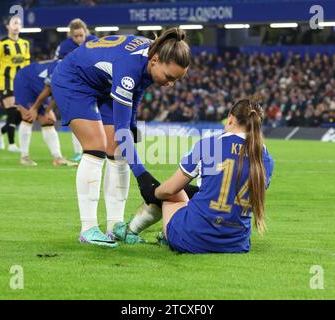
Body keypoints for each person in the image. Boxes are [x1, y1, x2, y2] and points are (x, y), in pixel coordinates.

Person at [51, 28, 191, 248]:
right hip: (73, 80)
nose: (170, 84)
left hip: (103, 83)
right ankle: (88, 229)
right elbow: (122, 129)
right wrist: (143, 176)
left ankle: (115, 228)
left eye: (176, 80)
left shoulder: (150, 59)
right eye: (169, 77)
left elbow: (136, 93)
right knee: (96, 147)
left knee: (117, 150)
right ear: (155, 61)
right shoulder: (129, 67)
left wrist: (133, 124)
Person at [114, 97, 274, 253]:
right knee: (196, 193)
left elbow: (170, 190)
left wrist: (152, 192)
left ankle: (132, 231)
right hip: (236, 243)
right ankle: (139, 231)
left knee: (172, 191)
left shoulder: (209, 145)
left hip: (192, 239)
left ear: (230, 118)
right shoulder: (266, 160)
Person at [14, 59, 77, 167]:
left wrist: (48, 111)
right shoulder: (61, 69)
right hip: (25, 80)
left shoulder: (76, 70)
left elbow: (59, 93)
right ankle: (24, 157)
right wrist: (34, 108)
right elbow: (48, 90)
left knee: (47, 120)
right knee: (28, 117)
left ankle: (58, 158)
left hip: (40, 84)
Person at [0, 15, 30, 152]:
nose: (17, 26)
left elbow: (27, 65)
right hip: (6, 82)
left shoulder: (25, 44)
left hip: (21, 84)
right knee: (12, 111)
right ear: (7, 26)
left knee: (20, 115)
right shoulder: (1, 44)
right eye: (14, 23)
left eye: (19, 23)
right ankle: (12, 144)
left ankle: (0, 132)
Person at [54, 18, 98, 162]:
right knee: (77, 117)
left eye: (81, 35)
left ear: (86, 32)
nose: (79, 38)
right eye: (75, 36)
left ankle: (99, 148)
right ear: (70, 35)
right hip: (74, 86)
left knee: (99, 118)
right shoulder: (64, 46)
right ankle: (79, 152)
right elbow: (56, 66)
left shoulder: (95, 42)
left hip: (95, 85)